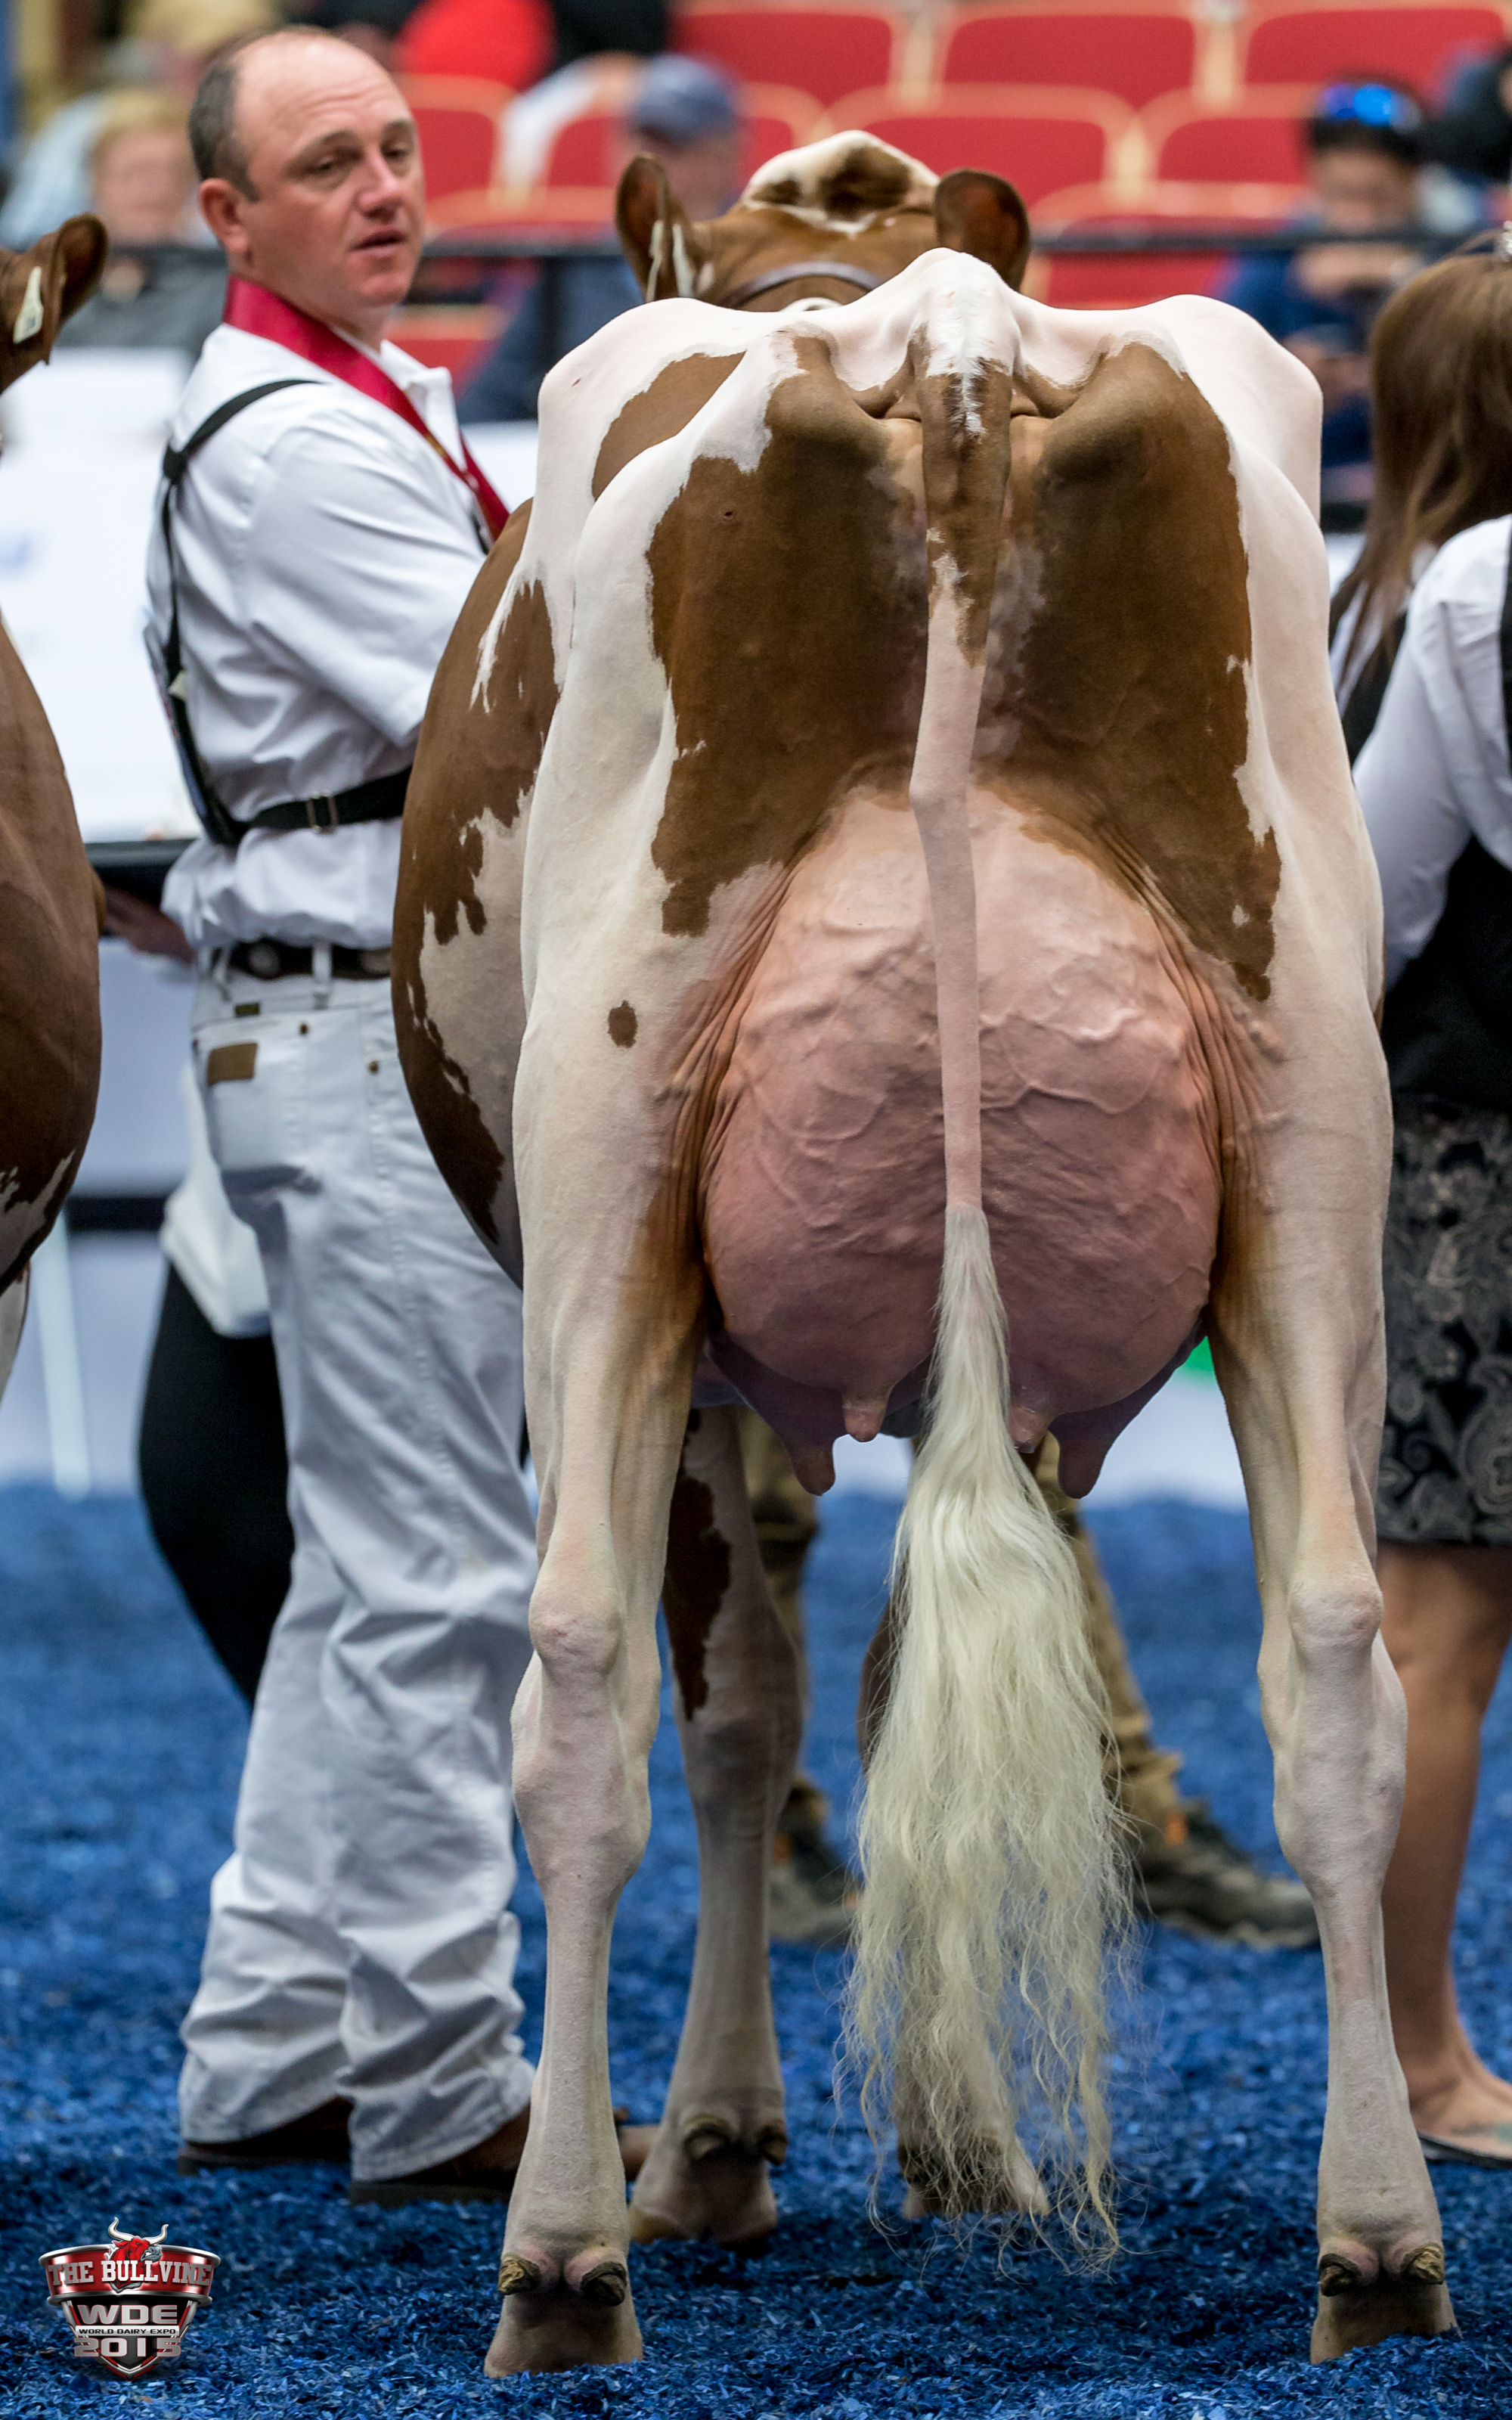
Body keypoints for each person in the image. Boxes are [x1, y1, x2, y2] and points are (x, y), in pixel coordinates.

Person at [136, 21, 649, 2204]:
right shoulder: (290, 445)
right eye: (326, 162)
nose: (383, 187)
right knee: (439, 1578)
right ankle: (443, 2085)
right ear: (225, 215)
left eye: (398, 147)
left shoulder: (346, 401)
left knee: (365, 1578)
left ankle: (271, 2049)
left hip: (343, 1032)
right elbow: (525, 711)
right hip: (368, 1041)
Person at [1338, 236, 1512, 2166]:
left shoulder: (1394, 596)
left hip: (1457, 1143)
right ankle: (1412, 2056)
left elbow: (1366, 911)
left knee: (1435, 1622)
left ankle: (1412, 2049)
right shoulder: (1463, 593)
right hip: (1481, 1151)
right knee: (1436, 1625)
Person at [1222, 81, 1477, 522]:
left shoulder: (1467, 247)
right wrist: (1281, 377)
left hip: (1441, 499)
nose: (1359, 218)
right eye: (1342, 195)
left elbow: (1490, 370)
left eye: (1377, 196)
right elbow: (1218, 372)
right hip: (1306, 501)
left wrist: (1403, 279)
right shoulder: (1276, 258)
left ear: (1416, 180)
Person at [458, 53, 741, 424]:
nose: (643, 161)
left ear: (722, 154)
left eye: (669, 146)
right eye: (635, 140)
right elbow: (491, 398)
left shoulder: (765, 261)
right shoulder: (577, 263)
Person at [54, 89, 228, 356]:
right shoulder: (49, 289)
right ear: (96, 181)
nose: (157, 190)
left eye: (175, 173)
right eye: (137, 172)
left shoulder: (224, 292)